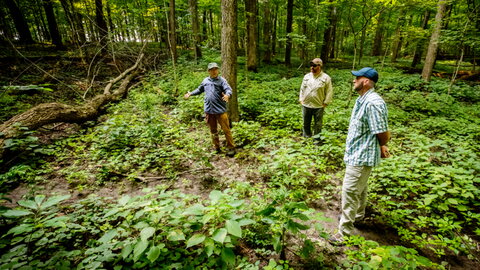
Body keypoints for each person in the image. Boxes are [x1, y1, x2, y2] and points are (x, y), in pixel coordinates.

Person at [331, 67, 391, 244]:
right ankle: (358, 216)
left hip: (362, 155)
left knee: (350, 191)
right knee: (361, 187)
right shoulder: (362, 99)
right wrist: (381, 145)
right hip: (357, 152)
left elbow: (382, 132)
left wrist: (383, 144)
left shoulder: (373, 102)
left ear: (366, 81)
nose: (354, 80)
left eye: (357, 78)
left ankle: (344, 232)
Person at [184, 62, 236, 156]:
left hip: (220, 110)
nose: (214, 71)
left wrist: (227, 95)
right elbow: (199, 90)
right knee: (213, 130)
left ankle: (231, 147)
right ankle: (217, 147)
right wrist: (190, 93)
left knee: (226, 130)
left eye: (216, 69)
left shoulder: (222, 80)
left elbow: (228, 89)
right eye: (212, 69)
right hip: (209, 110)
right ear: (208, 71)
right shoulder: (205, 81)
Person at [299, 58, 333, 143]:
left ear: (320, 66)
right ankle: (306, 137)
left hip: (318, 105)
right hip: (306, 104)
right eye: (311, 65)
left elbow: (329, 91)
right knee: (305, 122)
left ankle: (316, 140)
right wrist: (301, 99)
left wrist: (326, 103)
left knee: (318, 124)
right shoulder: (307, 76)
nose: (312, 68)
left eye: (314, 65)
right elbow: (302, 89)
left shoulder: (326, 78)